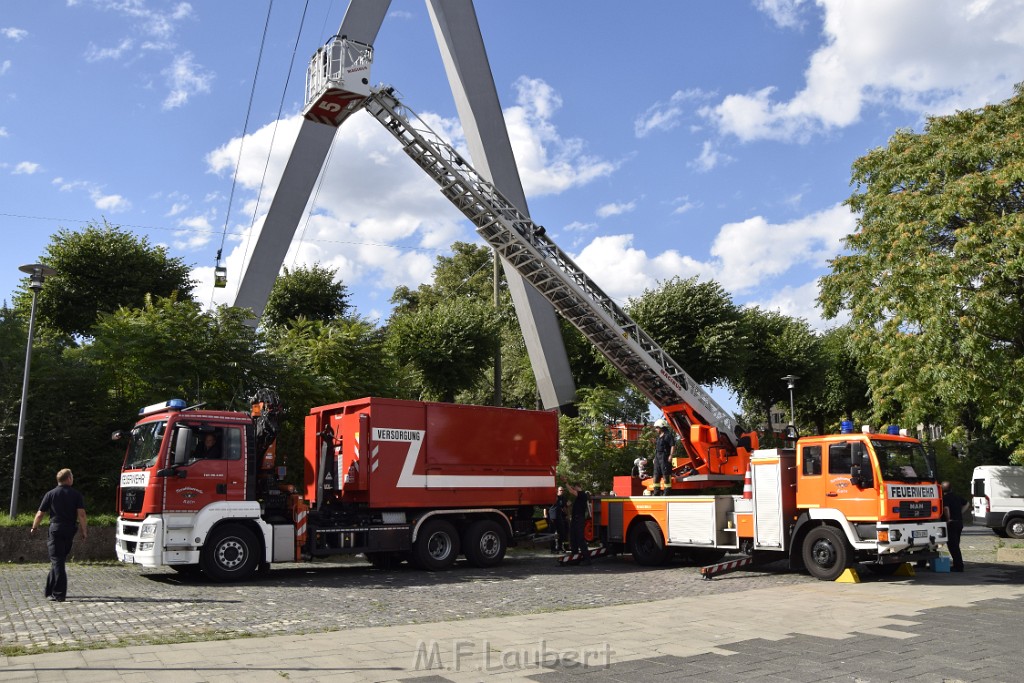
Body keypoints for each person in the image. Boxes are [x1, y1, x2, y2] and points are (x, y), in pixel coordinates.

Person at [30, 468, 87, 602]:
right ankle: (50, 589)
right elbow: (82, 514)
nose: (73, 479)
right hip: (70, 530)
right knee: (58, 560)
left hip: (55, 530)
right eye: (72, 476)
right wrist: (84, 531)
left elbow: (40, 514)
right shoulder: (76, 495)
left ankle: (59, 593)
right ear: (68, 479)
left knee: (57, 560)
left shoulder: (50, 494)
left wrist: (34, 527)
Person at [942, 480, 968, 572]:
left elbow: (946, 508)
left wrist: (948, 518)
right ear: (951, 488)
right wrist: (961, 512)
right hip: (959, 522)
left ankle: (958, 566)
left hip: (951, 523)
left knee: (953, 546)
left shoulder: (945, 498)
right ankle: (958, 565)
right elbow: (967, 503)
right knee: (956, 544)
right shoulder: (957, 497)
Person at [566, 483, 591, 565]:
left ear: (578, 487)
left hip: (579, 520)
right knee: (573, 539)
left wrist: (565, 482)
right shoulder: (578, 497)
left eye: (575, 487)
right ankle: (575, 558)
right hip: (575, 520)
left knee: (580, 539)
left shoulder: (583, 494)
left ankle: (587, 559)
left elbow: (571, 491)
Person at [652, 419, 674, 495]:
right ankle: (656, 492)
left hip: (665, 457)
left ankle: (667, 492)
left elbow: (672, 445)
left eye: (657, 428)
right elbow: (657, 448)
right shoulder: (659, 437)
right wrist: (655, 458)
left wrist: (671, 455)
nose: (656, 429)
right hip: (658, 457)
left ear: (661, 427)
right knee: (656, 475)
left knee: (666, 475)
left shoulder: (668, 435)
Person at [548, 485, 569, 553]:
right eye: (560, 490)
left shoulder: (563, 498)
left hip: (559, 517)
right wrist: (545, 515)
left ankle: (560, 547)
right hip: (552, 517)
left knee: (561, 532)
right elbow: (546, 507)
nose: (561, 491)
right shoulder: (553, 497)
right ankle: (553, 549)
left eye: (562, 490)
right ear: (557, 491)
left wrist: (568, 515)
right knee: (552, 534)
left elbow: (564, 507)